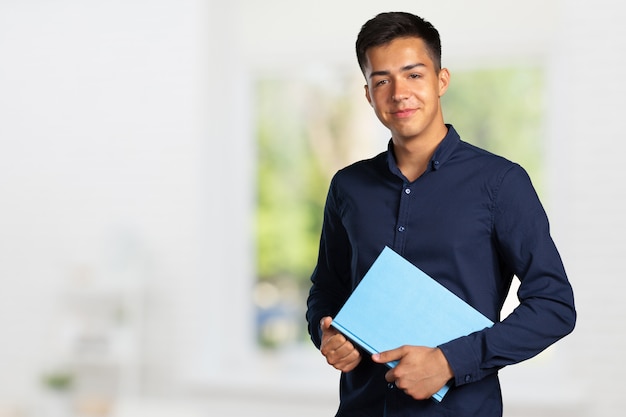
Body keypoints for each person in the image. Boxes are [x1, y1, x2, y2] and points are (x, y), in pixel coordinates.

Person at [305, 11, 576, 417]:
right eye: (382, 80)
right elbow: (326, 288)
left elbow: (554, 306)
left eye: (414, 75)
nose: (398, 93)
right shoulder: (349, 186)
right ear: (368, 94)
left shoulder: (500, 182)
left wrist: (451, 361)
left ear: (441, 80)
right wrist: (326, 333)